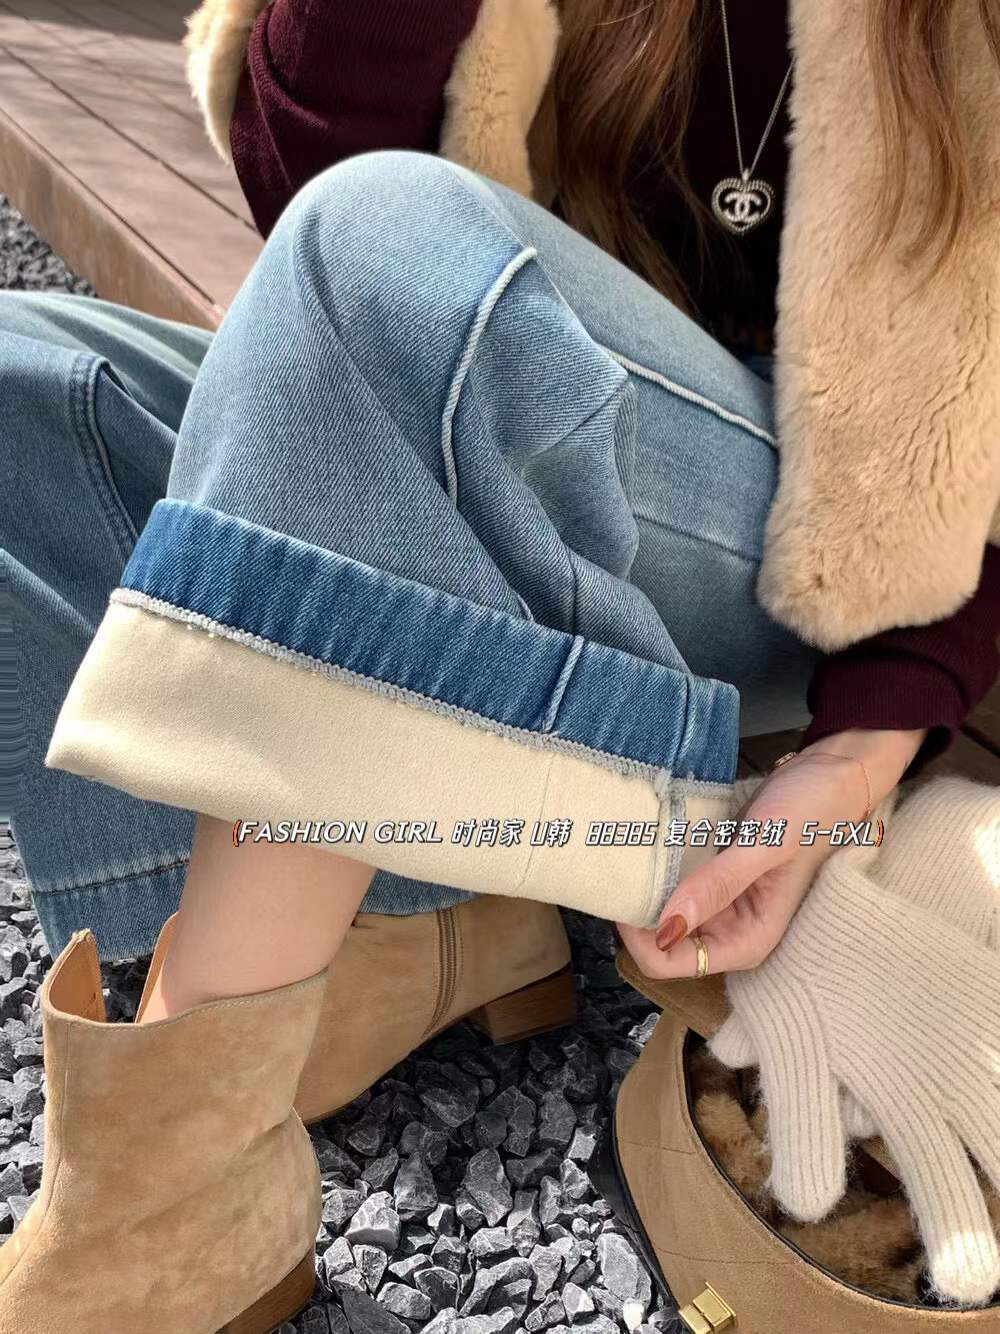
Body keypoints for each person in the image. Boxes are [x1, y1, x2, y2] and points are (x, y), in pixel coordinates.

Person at [2, 0, 998, 1328]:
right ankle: (423, 906)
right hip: (504, 466)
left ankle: (175, 1188)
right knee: (24, 374)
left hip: (780, 557)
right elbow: (311, 208)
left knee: (381, 245)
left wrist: (858, 757)